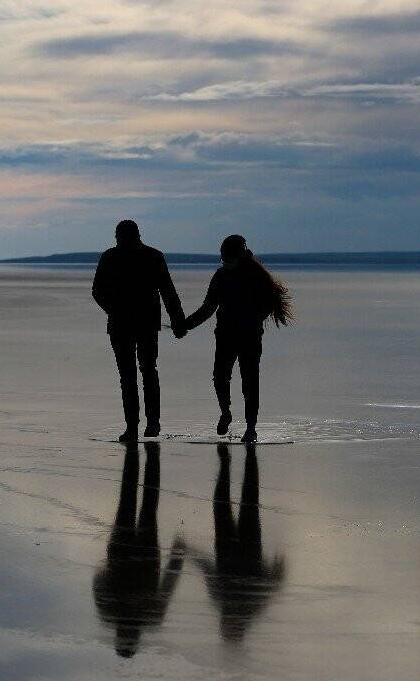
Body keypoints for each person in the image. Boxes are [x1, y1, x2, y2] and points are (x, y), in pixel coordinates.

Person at [174, 234, 293, 443]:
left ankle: (251, 429)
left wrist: (253, 320)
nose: (223, 261)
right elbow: (209, 307)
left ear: (237, 256)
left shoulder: (256, 276)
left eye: (226, 257)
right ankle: (226, 413)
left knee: (249, 382)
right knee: (221, 377)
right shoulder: (220, 276)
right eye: (222, 258)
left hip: (249, 337)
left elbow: (269, 304)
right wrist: (187, 324)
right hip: (226, 335)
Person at [92, 220, 185, 443]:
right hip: (140, 323)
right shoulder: (152, 256)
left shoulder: (113, 257)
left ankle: (138, 426)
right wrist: (178, 320)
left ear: (120, 236)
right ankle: (146, 424)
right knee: (145, 372)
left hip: (129, 324)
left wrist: (113, 310)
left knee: (133, 375)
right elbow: (168, 292)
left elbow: (97, 291)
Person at [93, 443, 185, 657]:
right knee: (128, 501)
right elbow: (98, 581)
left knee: (148, 505)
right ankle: (135, 454)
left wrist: (178, 556)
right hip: (122, 554)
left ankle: (151, 456)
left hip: (146, 558)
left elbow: (169, 582)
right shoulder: (109, 613)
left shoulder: (151, 616)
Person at [190, 444, 285, 642]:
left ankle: (229, 462)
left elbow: (208, 571)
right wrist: (277, 568)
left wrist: (190, 553)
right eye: (230, 627)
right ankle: (246, 455)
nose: (226, 622)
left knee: (228, 503)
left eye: (225, 626)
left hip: (228, 547)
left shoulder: (226, 601)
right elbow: (272, 583)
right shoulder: (251, 605)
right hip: (248, 546)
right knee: (246, 500)